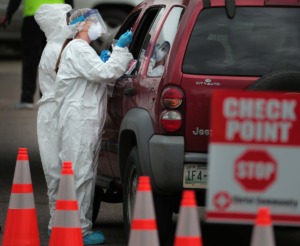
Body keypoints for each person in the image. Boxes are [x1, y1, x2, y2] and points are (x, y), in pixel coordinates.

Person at [54, 8, 133, 245]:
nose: (98, 25)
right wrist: (120, 50)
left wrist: (104, 63)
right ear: (83, 25)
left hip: (82, 121)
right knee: (79, 176)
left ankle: (78, 228)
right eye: (93, 21)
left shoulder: (80, 50)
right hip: (78, 121)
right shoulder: (78, 49)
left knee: (84, 175)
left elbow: (99, 77)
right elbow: (105, 73)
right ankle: (75, 232)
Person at [34, 3, 73, 236]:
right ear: (56, 22)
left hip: (53, 112)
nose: (69, 22)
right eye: (65, 19)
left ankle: (58, 222)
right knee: (57, 169)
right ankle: (58, 225)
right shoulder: (57, 49)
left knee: (57, 167)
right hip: (55, 112)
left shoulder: (56, 46)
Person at [0, 0, 73, 110]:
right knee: (55, 57)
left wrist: (9, 13)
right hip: (57, 16)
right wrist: (70, 15)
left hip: (33, 16)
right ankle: (49, 97)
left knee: (30, 58)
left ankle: (27, 98)